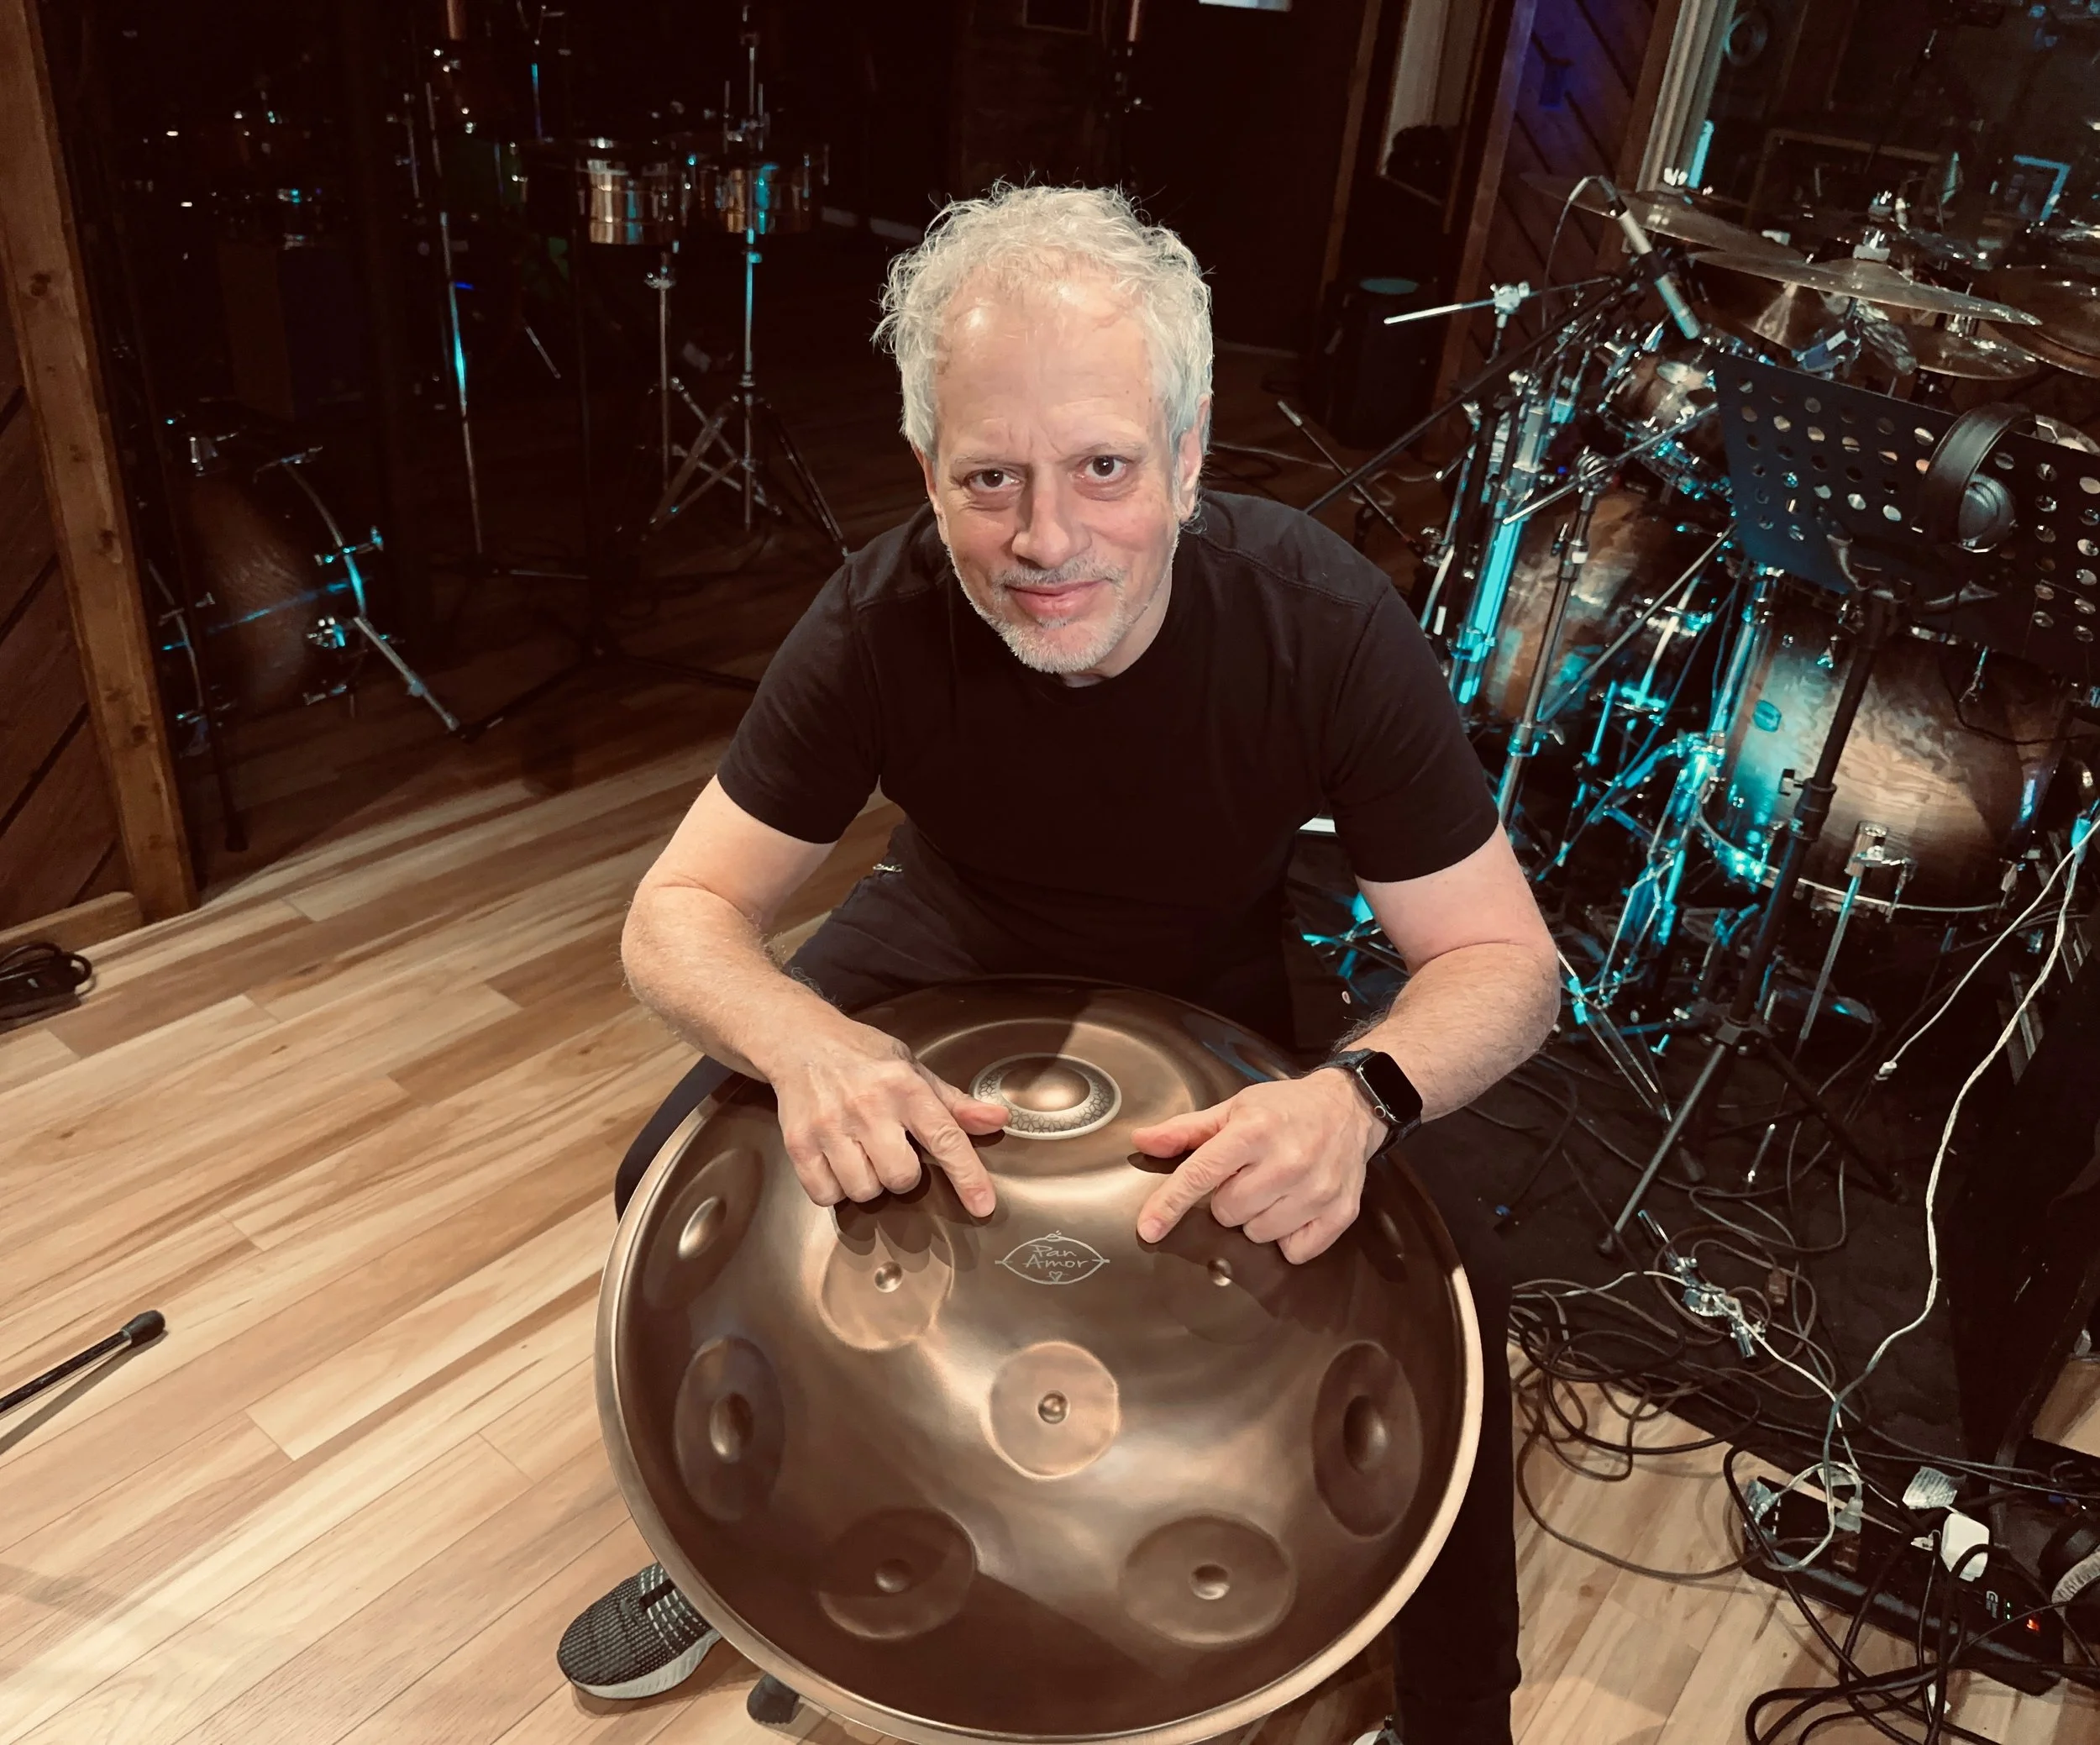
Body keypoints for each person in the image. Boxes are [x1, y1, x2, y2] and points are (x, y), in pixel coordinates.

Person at [556, 184, 1559, 1745]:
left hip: (1208, 960)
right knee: (667, 1165)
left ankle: (1456, 1712)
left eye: (1103, 466)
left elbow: (1503, 959)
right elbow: (677, 912)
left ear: (1189, 456)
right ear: (926, 471)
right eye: (989, 479)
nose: (1045, 539)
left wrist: (1359, 1097)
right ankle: (752, 1547)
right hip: (954, 926)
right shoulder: (882, 616)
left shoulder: (1318, 621)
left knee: (1453, 1287)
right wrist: (807, 1043)